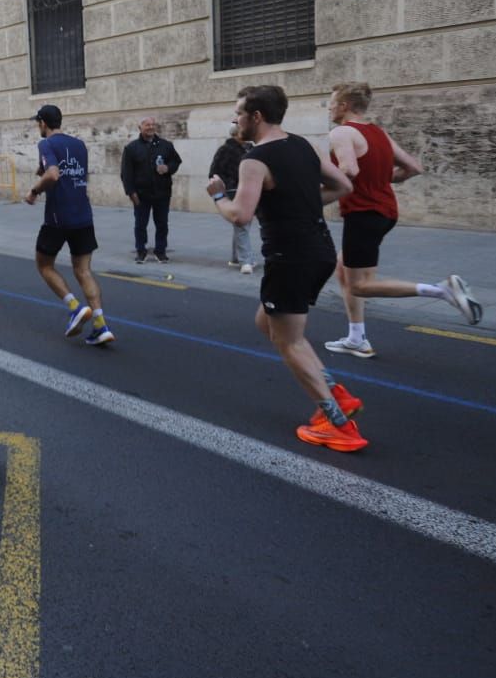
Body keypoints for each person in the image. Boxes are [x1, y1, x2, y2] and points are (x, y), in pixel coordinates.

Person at [206, 86, 366, 452]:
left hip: (290, 256)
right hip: (320, 250)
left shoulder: (254, 160)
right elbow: (343, 185)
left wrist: (218, 194)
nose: (235, 119)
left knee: (288, 339)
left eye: (239, 113)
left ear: (256, 117)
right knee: (269, 323)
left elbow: (240, 216)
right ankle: (336, 394)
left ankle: (337, 423)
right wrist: (298, 200)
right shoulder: (303, 145)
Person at [323, 83, 481, 358]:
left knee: (360, 284)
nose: (329, 107)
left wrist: (316, 189)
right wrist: (379, 178)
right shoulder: (378, 134)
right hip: (385, 212)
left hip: (363, 214)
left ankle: (441, 291)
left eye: (332, 102)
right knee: (343, 269)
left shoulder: (341, 132)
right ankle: (356, 338)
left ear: (344, 106)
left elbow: (348, 170)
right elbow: (413, 168)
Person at [24, 105, 115, 347]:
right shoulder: (79, 145)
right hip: (83, 215)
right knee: (83, 270)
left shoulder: (46, 144)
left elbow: (53, 174)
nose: (38, 127)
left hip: (58, 217)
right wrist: (42, 170)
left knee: (44, 264)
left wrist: (34, 191)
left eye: (38, 123)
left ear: (43, 123)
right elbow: (65, 170)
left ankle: (75, 308)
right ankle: (101, 325)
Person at [120, 117, 182, 264]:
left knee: (162, 224)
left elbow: (176, 161)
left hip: (162, 193)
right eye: (147, 125)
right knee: (140, 225)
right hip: (141, 195)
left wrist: (168, 168)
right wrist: (131, 193)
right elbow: (126, 173)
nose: (150, 127)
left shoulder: (166, 145)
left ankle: (160, 251)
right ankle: (141, 251)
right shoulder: (131, 148)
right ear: (140, 127)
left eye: (153, 124)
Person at [207, 124, 257, 275]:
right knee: (242, 224)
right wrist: (227, 187)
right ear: (237, 134)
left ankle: (237, 258)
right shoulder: (225, 150)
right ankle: (246, 261)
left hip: (251, 190)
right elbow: (214, 172)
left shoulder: (251, 149)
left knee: (241, 225)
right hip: (234, 190)